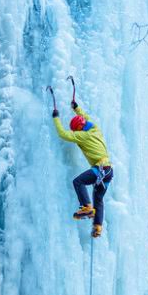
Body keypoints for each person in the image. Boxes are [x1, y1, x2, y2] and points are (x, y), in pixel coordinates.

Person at [48, 85, 114, 238]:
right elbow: (86, 117)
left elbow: (63, 134)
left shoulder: (81, 136)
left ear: (77, 130)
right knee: (98, 198)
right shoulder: (94, 129)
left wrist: (56, 117)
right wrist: (76, 108)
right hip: (108, 170)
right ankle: (97, 227)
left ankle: (86, 207)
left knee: (78, 182)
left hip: (102, 168)